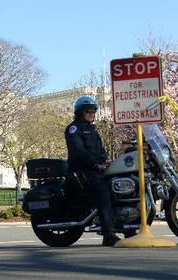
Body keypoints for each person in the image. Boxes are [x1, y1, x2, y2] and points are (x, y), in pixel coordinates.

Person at [65, 96, 121, 247]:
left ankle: (128, 228)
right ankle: (108, 235)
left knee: (117, 187)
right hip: (82, 172)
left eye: (93, 111)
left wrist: (106, 161)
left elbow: (100, 150)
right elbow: (80, 152)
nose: (91, 114)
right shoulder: (73, 129)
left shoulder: (93, 130)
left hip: (95, 170)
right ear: (80, 112)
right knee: (102, 194)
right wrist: (96, 165)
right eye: (88, 111)